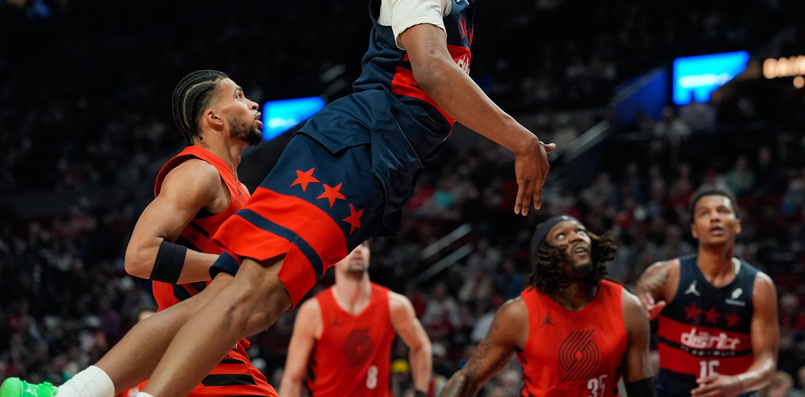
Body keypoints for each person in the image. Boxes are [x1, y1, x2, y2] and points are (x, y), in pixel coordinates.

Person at [0, 0, 557, 397]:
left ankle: (74, 395)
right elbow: (434, 71)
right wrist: (521, 141)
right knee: (249, 301)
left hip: (367, 157)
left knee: (231, 295)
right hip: (356, 152)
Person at [124, 70, 276, 397]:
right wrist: (232, 269)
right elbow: (139, 256)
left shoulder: (242, 191)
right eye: (238, 96)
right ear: (213, 118)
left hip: (215, 345)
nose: (253, 104)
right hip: (198, 350)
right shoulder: (198, 172)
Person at [438, 215, 654, 397]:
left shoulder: (627, 305)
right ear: (545, 256)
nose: (576, 237)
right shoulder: (518, 313)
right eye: (562, 235)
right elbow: (467, 378)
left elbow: (641, 389)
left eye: (580, 231)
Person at [634, 185, 779, 397]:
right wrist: (640, 317)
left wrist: (736, 383)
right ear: (694, 229)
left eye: (722, 211)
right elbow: (629, 330)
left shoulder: (760, 286)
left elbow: (767, 364)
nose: (714, 218)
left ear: (737, 225)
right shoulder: (663, 276)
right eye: (704, 213)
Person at [279, 242, 431, 397]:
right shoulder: (313, 311)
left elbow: (421, 345)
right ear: (334, 257)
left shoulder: (394, 305)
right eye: (352, 245)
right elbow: (292, 379)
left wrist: (420, 392)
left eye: (364, 245)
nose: (358, 249)